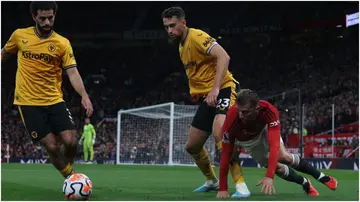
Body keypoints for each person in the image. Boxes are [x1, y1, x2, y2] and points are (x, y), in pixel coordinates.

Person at [162, 7, 250, 197]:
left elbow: (224, 56)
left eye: (172, 26)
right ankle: (211, 181)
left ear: (183, 23)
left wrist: (216, 88)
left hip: (225, 88)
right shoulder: (180, 46)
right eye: (166, 27)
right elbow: (198, 73)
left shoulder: (197, 36)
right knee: (192, 146)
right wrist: (197, 92)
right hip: (208, 97)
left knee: (220, 131)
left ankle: (241, 185)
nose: (169, 31)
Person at [1, 1, 93, 178]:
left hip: (54, 100)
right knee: (51, 146)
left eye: (50, 18)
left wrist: (84, 95)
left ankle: (70, 174)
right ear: (34, 16)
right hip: (28, 102)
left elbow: (72, 72)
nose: (47, 23)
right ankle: (72, 179)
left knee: (72, 142)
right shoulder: (19, 36)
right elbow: (3, 54)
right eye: (42, 18)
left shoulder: (62, 43)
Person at [216, 89, 338, 198]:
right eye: (239, 111)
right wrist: (223, 188)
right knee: (277, 168)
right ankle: (304, 182)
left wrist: (269, 176)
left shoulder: (269, 110)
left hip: (264, 129)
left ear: (257, 109)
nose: (241, 115)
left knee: (282, 156)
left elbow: (274, 146)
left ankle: (322, 177)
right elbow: (225, 154)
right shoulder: (231, 119)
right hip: (248, 141)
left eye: (245, 112)